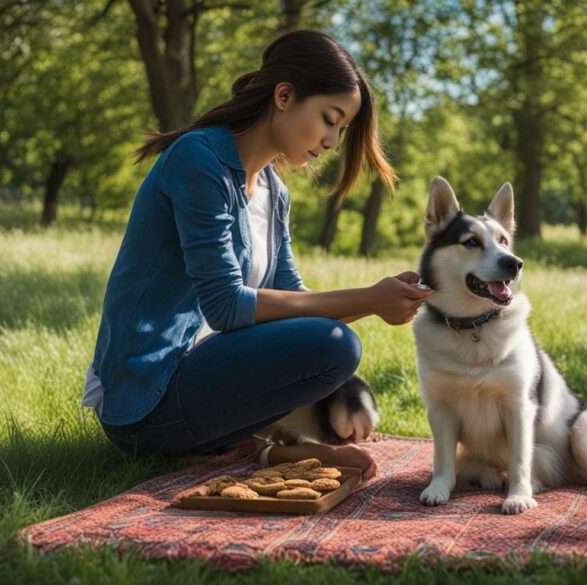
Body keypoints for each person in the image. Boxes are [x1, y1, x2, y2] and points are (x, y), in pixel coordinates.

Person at [81, 30, 432, 480]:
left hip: (205, 378)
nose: (332, 141)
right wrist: (368, 300)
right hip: (148, 399)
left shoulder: (273, 190)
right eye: (329, 119)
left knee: (329, 349)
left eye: (341, 130)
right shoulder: (199, 160)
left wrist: (374, 313)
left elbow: (293, 302)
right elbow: (227, 307)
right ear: (284, 95)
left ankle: (260, 450)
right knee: (336, 345)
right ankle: (257, 443)